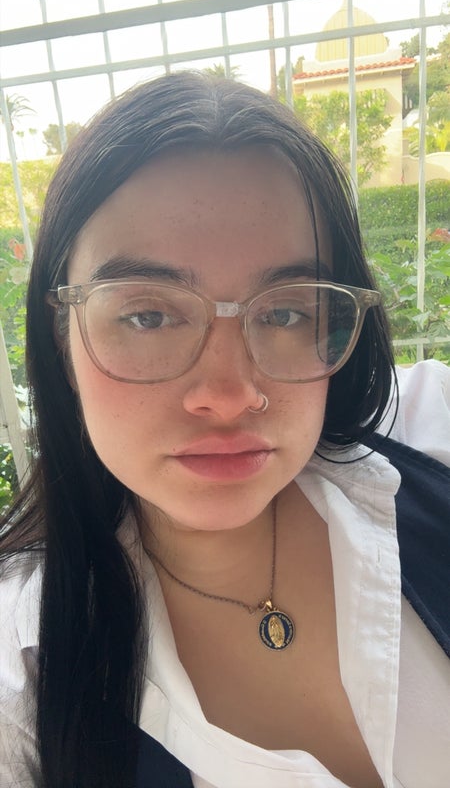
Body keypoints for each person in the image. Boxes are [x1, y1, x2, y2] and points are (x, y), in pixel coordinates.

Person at [0, 72, 449, 788]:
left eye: (286, 312)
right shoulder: (22, 671)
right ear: (62, 337)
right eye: (148, 316)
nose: (230, 395)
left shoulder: (430, 441)